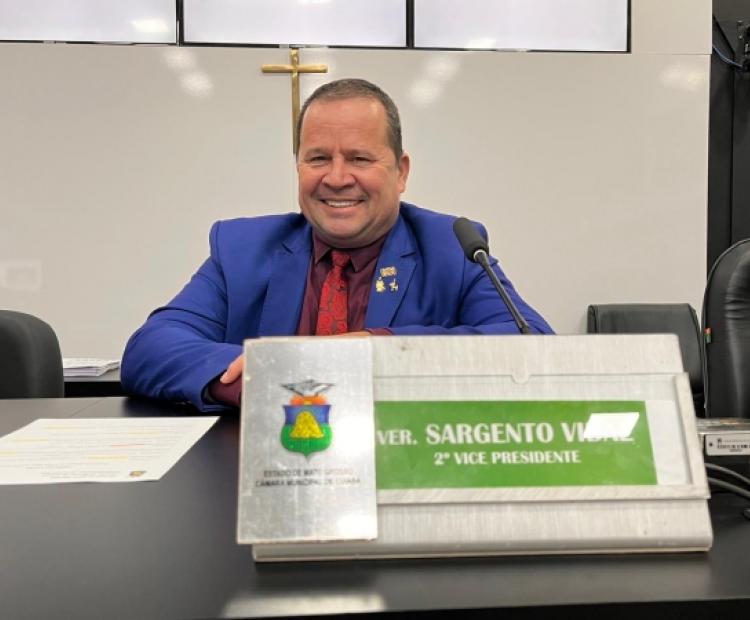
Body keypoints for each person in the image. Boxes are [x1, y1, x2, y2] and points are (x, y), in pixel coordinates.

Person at [121, 78, 553, 411]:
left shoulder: (451, 247)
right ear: (298, 166)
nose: (337, 177)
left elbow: (532, 344)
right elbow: (151, 347)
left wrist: (370, 349)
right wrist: (259, 378)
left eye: (360, 158)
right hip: (263, 466)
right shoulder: (241, 248)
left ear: (401, 172)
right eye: (318, 158)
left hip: (405, 471)